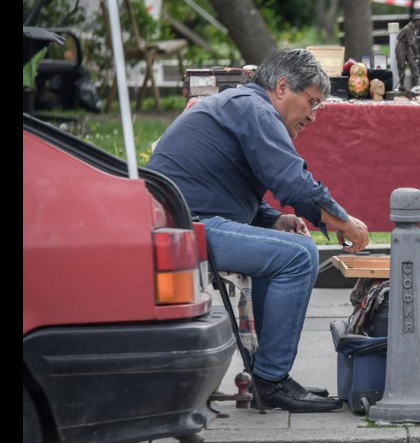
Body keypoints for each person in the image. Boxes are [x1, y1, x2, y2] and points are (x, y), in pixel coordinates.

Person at [148, 48, 370, 412]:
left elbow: (226, 185)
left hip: (188, 218)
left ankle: (267, 375)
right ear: (283, 87)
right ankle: (270, 379)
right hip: (186, 225)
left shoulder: (243, 104)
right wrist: (344, 221)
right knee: (299, 255)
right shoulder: (256, 109)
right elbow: (293, 182)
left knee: (286, 247)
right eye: (311, 102)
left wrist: (273, 218)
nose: (313, 116)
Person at [396, 13, 420, 90]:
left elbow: (413, 39)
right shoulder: (408, 28)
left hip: (408, 47)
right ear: (415, 21)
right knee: (402, 66)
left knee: (413, 65)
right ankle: (401, 86)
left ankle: (415, 87)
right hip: (401, 46)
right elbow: (412, 43)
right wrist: (417, 54)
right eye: (419, 21)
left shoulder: (415, 28)